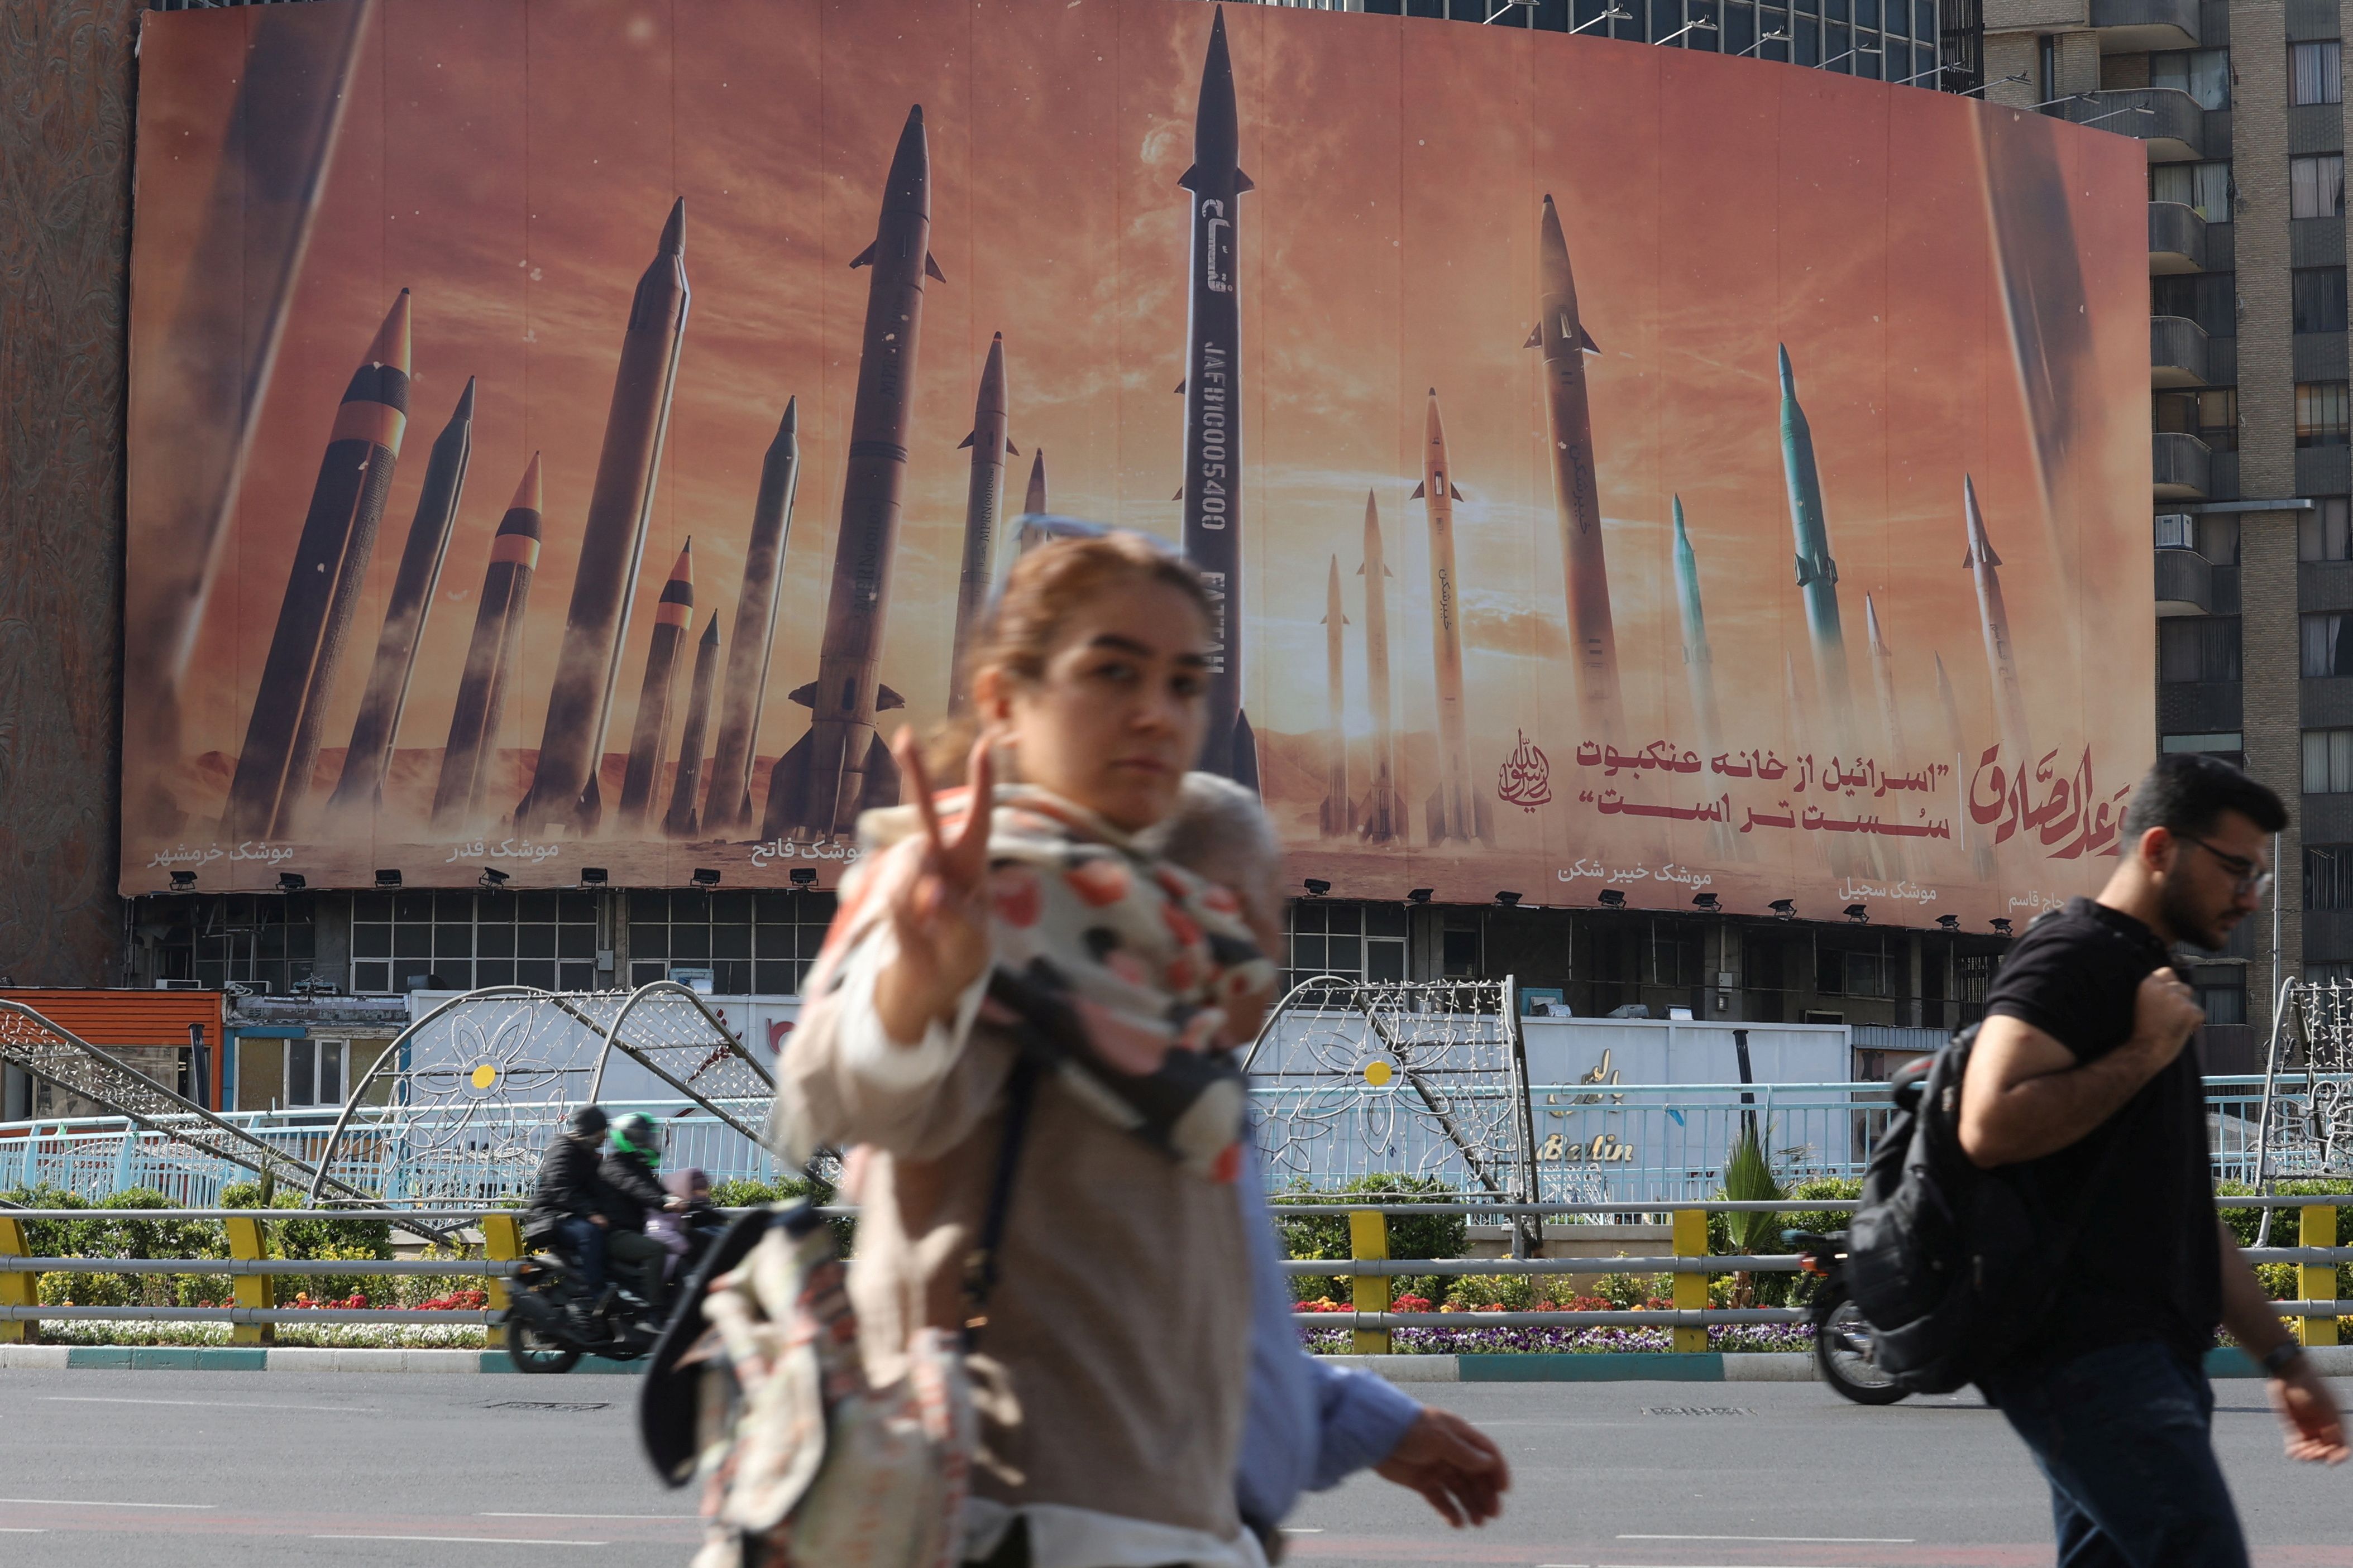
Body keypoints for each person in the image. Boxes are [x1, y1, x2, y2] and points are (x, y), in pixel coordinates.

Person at [776, 531, 1287, 1568]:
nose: (1157, 711)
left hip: (1169, 1512)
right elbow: (834, 1093)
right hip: (1005, 1508)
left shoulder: (1159, 926)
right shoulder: (973, 884)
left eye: (1184, 681)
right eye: (1111, 671)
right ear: (1005, 700)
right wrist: (925, 981)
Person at [1959, 753, 2347, 1566]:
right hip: (2090, 1358)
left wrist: (2280, 1358)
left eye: (2259, 879)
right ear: (2160, 849)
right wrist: (2142, 1050)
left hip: (2144, 1360)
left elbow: (2183, 1212)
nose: (2248, 896)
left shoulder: (2153, 978)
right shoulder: (2073, 956)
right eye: (2236, 869)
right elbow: (1986, 1122)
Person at [1145, 771, 1511, 1541]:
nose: (1271, 940)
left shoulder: (1193, 1088)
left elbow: (1212, 1349)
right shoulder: (1109, 1100)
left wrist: (1376, 1424)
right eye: (1255, 907)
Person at [528, 1105, 611, 1319]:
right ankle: (594, 1293)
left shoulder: (589, 1155)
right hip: (551, 1217)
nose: (603, 1139)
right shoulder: (563, 1149)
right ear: (590, 1131)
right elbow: (560, 1187)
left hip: (571, 1215)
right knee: (589, 1234)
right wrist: (591, 1213)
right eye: (600, 1134)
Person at [597, 1110, 681, 1317]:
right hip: (615, 1233)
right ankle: (655, 1309)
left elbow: (658, 1190)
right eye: (642, 1137)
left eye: (648, 1137)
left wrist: (700, 1207)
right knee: (655, 1251)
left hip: (634, 1230)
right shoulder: (614, 1166)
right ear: (627, 1138)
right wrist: (663, 1202)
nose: (648, 1141)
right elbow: (635, 1187)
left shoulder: (638, 1166)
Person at [645, 1165, 714, 1283]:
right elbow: (656, 1231)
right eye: (700, 1190)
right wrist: (684, 1246)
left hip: (676, 1255)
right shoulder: (666, 1207)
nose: (705, 1194)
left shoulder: (683, 1208)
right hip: (668, 1260)